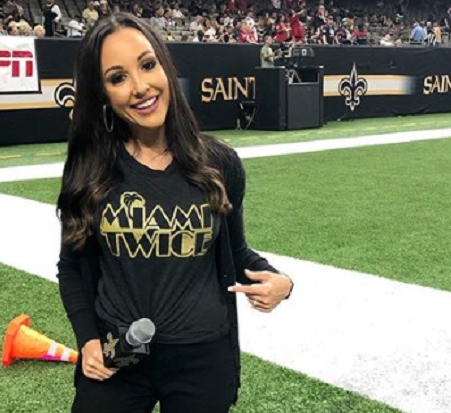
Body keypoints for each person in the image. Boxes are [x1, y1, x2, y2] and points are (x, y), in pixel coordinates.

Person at [56, 12, 294, 413]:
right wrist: (88, 339)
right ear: (103, 93)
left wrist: (282, 282)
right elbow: (71, 267)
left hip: (203, 357)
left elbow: (234, 252)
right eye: (118, 77)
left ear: (165, 66)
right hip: (119, 356)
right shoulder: (89, 167)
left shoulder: (220, 163)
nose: (140, 87)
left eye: (148, 65)